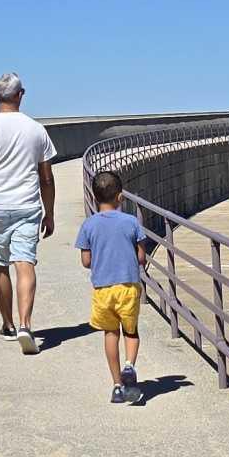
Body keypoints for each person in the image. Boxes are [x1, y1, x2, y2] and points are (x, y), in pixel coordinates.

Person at [0, 74, 56, 354]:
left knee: (0, 264)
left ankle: (8, 325)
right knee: (25, 264)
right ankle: (26, 324)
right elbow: (47, 178)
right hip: (28, 206)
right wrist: (49, 213)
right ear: (20, 94)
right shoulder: (36, 129)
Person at [76, 171, 148, 404]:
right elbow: (140, 257)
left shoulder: (89, 225)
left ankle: (117, 385)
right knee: (131, 331)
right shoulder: (131, 222)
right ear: (120, 197)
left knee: (110, 333)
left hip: (102, 288)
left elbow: (86, 261)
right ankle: (130, 365)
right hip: (128, 286)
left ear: (95, 197)